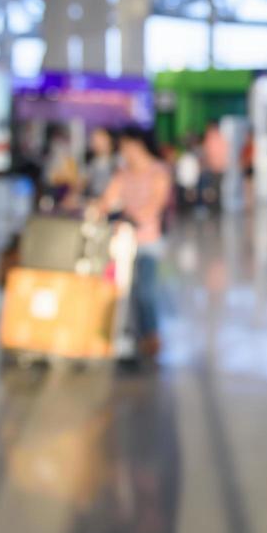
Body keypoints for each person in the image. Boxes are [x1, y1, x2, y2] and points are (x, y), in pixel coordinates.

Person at [99, 126, 173, 361]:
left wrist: (129, 214)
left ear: (137, 145)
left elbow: (153, 207)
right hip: (121, 243)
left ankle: (151, 336)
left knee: (145, 291)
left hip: (148, 242)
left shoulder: (158, 172)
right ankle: (129, 335)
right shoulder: (123, 173)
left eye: (125, 146)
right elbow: (107, 200)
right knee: (122, 291)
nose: (123, 151)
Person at [83, 127, 116, 200]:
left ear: (108, 140)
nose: (96, 144)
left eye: (100, 140)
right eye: (93, 140)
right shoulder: (91, 165)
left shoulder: (118, 161)